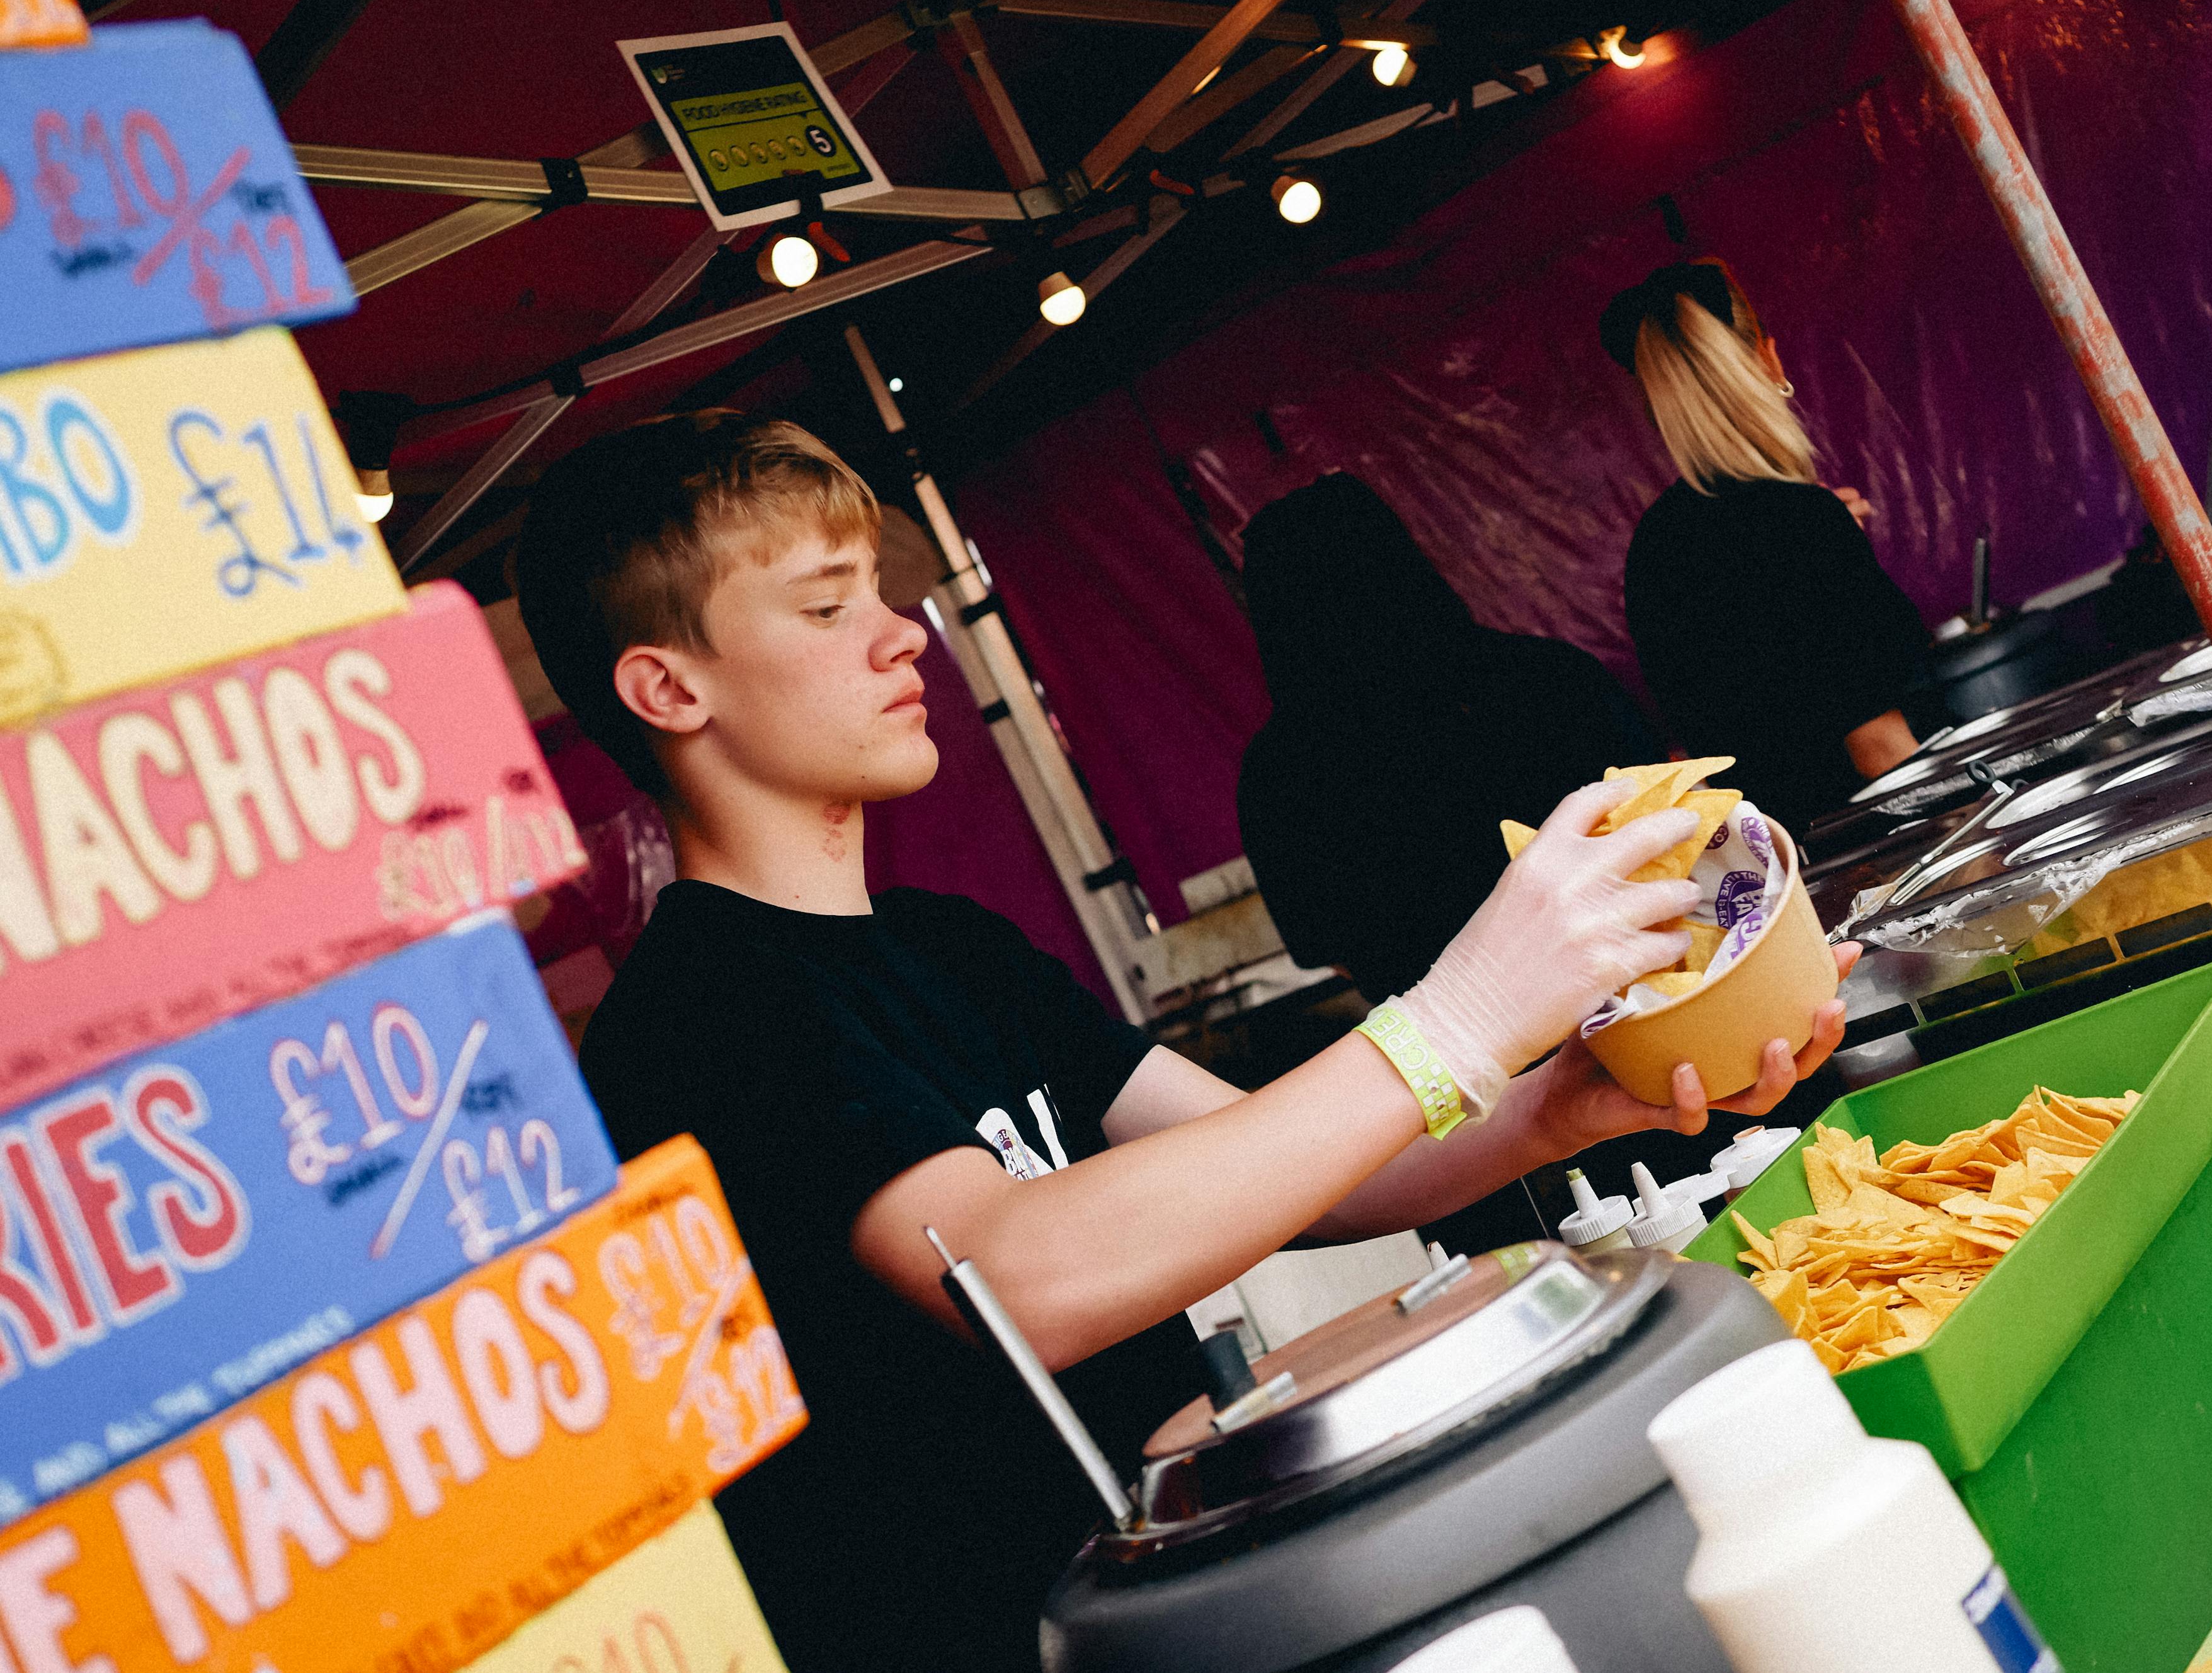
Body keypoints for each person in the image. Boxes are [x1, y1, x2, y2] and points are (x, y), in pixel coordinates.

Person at [512, 410, 1854, 1672]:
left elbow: (1301, 1174)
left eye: (879, 587)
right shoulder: (704, 1012)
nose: (901, 632)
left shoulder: (950, 942)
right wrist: (1454, 1015)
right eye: (824, 604)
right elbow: (1013, 1273)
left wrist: (1557, 1101)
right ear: (667, 686)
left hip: (1176, 1598)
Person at [1234, 472, 1666, 1248]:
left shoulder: (1278, 778)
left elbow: (1329, 953)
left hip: (1458, 1137)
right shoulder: (1553, 683)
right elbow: (1666, 847)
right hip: (1641, 1048)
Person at [1609, 260, 1934, 831]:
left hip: (1782, 872)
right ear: (1767, 358)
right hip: (1882, 851)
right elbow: (1880, 749)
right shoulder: (1804, 521)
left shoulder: (1654, 550)